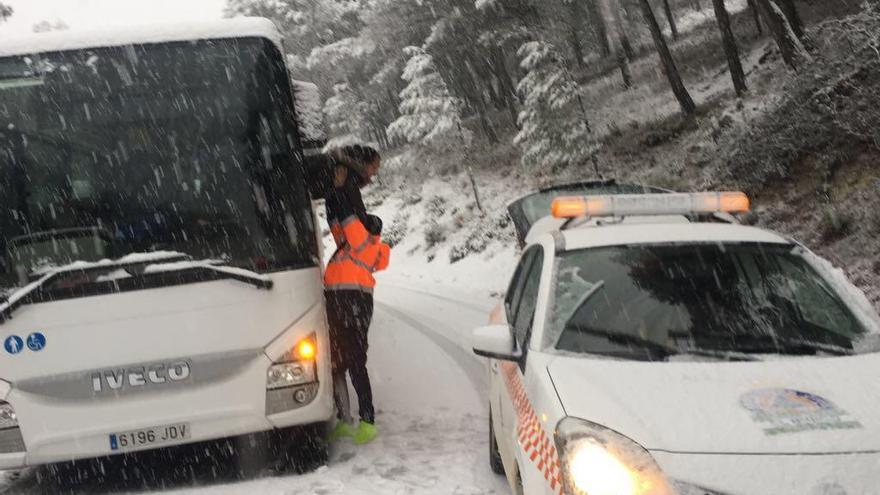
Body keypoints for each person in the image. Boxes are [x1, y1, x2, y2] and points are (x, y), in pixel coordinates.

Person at [322, 146, 388, 444]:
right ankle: (346, 419)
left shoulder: (363, 241)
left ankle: (367, 421)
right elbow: (337, 222)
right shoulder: (347, 245)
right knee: (337, 362)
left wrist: (338, 190)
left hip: (355, 304)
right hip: (339, 303)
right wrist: (333, 196)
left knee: (355, 362)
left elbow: (347, 216)